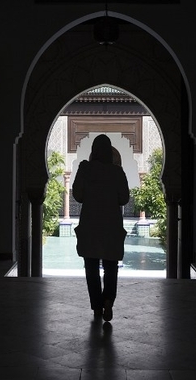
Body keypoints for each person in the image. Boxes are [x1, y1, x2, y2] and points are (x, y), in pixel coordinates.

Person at [72, 135, 129, 321]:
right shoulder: (117, 172)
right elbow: (124, 199)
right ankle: (108, 301)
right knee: (111, 266)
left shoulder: (85, 169)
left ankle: (97, 306)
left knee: (91, 267)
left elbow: (78, 196)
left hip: (91, 225)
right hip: (111, 226)